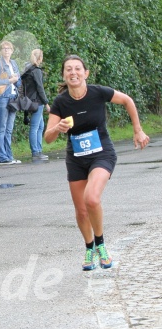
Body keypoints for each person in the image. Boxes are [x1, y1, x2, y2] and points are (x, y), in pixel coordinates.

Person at [44, 55, 150, 271]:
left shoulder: (98, 92)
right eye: (68, 70)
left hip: (102, 153)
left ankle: (101, 244)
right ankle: (89, 247)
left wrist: (137, 129)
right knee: (81, 210)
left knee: (91, 198)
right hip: (76, 159)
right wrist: (58, 128)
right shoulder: (61, 102)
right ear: (64, 75)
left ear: (86, 73)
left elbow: (127, 100)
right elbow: (47, 138)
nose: (73, 73)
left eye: (77, 69)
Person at [0, 41, 21, 165]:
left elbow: (18, 81)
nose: (6, 50)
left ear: (12, 50)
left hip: (13, 97)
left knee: (9, 129)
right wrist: (9, 80)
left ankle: (9, 156)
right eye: (4, 48)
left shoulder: (13, 63)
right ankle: (2, 157)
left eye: (8, 48)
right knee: (1, 128)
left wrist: (17, 81)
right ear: (0, 51)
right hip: (2, 98)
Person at [21, 49, 51, 160]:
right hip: (37, 101)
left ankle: (38, 150)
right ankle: (36, 152)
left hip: (29, 101)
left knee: (40, 126)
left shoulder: (27, 70)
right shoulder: (36, 71)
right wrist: (46, 103)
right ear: (40, 58)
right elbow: (40, 88)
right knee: (35, 127)